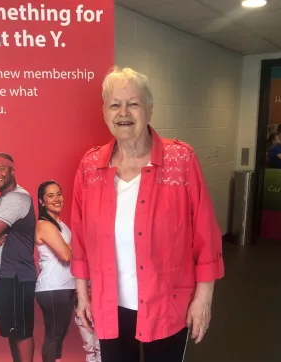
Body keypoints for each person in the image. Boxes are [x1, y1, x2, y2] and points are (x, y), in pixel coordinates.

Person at [71, 67, 225, 362]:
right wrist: (82, 293)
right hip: (109, 305)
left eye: (134, 103)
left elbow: (205, 234)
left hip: (168, 303)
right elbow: (79, 237)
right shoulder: (90, 167)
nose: (123, 112)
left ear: (149, 109)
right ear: (105, 112)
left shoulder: (181, 160)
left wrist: (203, 298)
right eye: (115, 104)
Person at [0, 152, 36, 362]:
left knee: (21, 331)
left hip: (17, 275)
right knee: (13, 330)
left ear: (12, 170)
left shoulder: (16, 198)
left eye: (1, 168)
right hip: (2, 275)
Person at [34, 180, 75, 362]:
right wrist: (75, 248)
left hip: (66, 286)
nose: (57, 198)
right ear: (42, 202)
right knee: (54, 335)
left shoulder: (61, 225)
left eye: (59, 193)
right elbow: (66, 255)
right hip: (52, 288)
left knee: (60, 335)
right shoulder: (44, 225)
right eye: (50, 195)